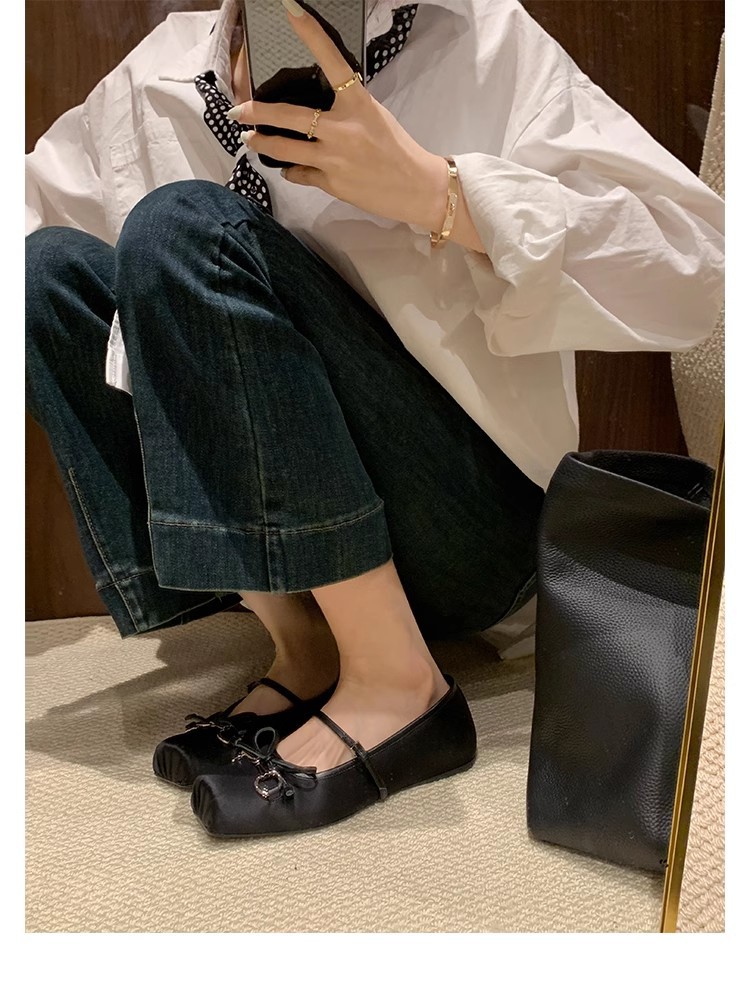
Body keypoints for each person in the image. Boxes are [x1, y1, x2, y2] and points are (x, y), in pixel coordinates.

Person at [25, 0, 724, 837]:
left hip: (470, 533)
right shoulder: (161, 76)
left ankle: (401, 685)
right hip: (282, 563)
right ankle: (306, 650)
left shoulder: (476, 40)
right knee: (44, 273)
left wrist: (441, 193)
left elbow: (696, 271)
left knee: (185, 226)